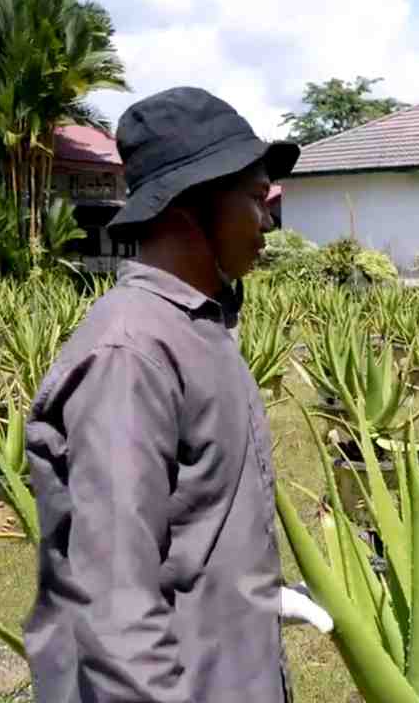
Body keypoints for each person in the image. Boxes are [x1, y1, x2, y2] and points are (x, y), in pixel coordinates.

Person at [22, 87, 313, 702]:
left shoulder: (198, 326)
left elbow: (195, 524)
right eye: (256, 200)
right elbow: (115, 605)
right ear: (189, 205)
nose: (268, 221)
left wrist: (252, 597)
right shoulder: (130, 355)